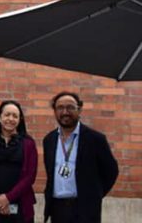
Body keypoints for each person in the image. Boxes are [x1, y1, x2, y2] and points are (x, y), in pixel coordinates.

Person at [42, 91, 118, 223]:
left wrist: (95, 195)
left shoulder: (96, 139)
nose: (65, 112)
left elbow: (111, 171)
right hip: (57, 209)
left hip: (85, 210)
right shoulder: (49, 140)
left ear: (80, 109)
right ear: (54, 111)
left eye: (70, 107)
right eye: (60, 107)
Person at [0, 100, 37, 223]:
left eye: (15, 116)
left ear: (20, 120)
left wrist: (8, 198)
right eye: (7, 114)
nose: (10, 119)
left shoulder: (28, 143)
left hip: (20, 202)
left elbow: (30, 176)